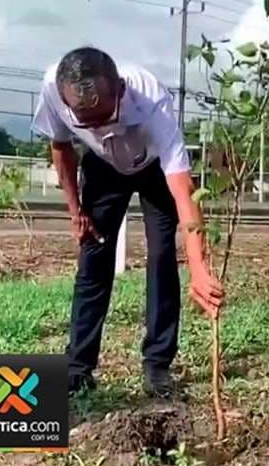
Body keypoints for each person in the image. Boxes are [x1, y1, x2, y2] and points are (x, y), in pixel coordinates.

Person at [32, 47, 224, 397]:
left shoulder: (152, 101)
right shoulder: (53, 88)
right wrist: (76, 210)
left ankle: (157, 365)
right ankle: (77, 368)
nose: (98, 127)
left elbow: (183, 190)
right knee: (93, 259)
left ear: (120, 89)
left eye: (104, 117)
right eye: (86, 123)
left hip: (153, 169)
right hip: (104, 166)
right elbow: (61, 147)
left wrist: (198, 268)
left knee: (162, 256)